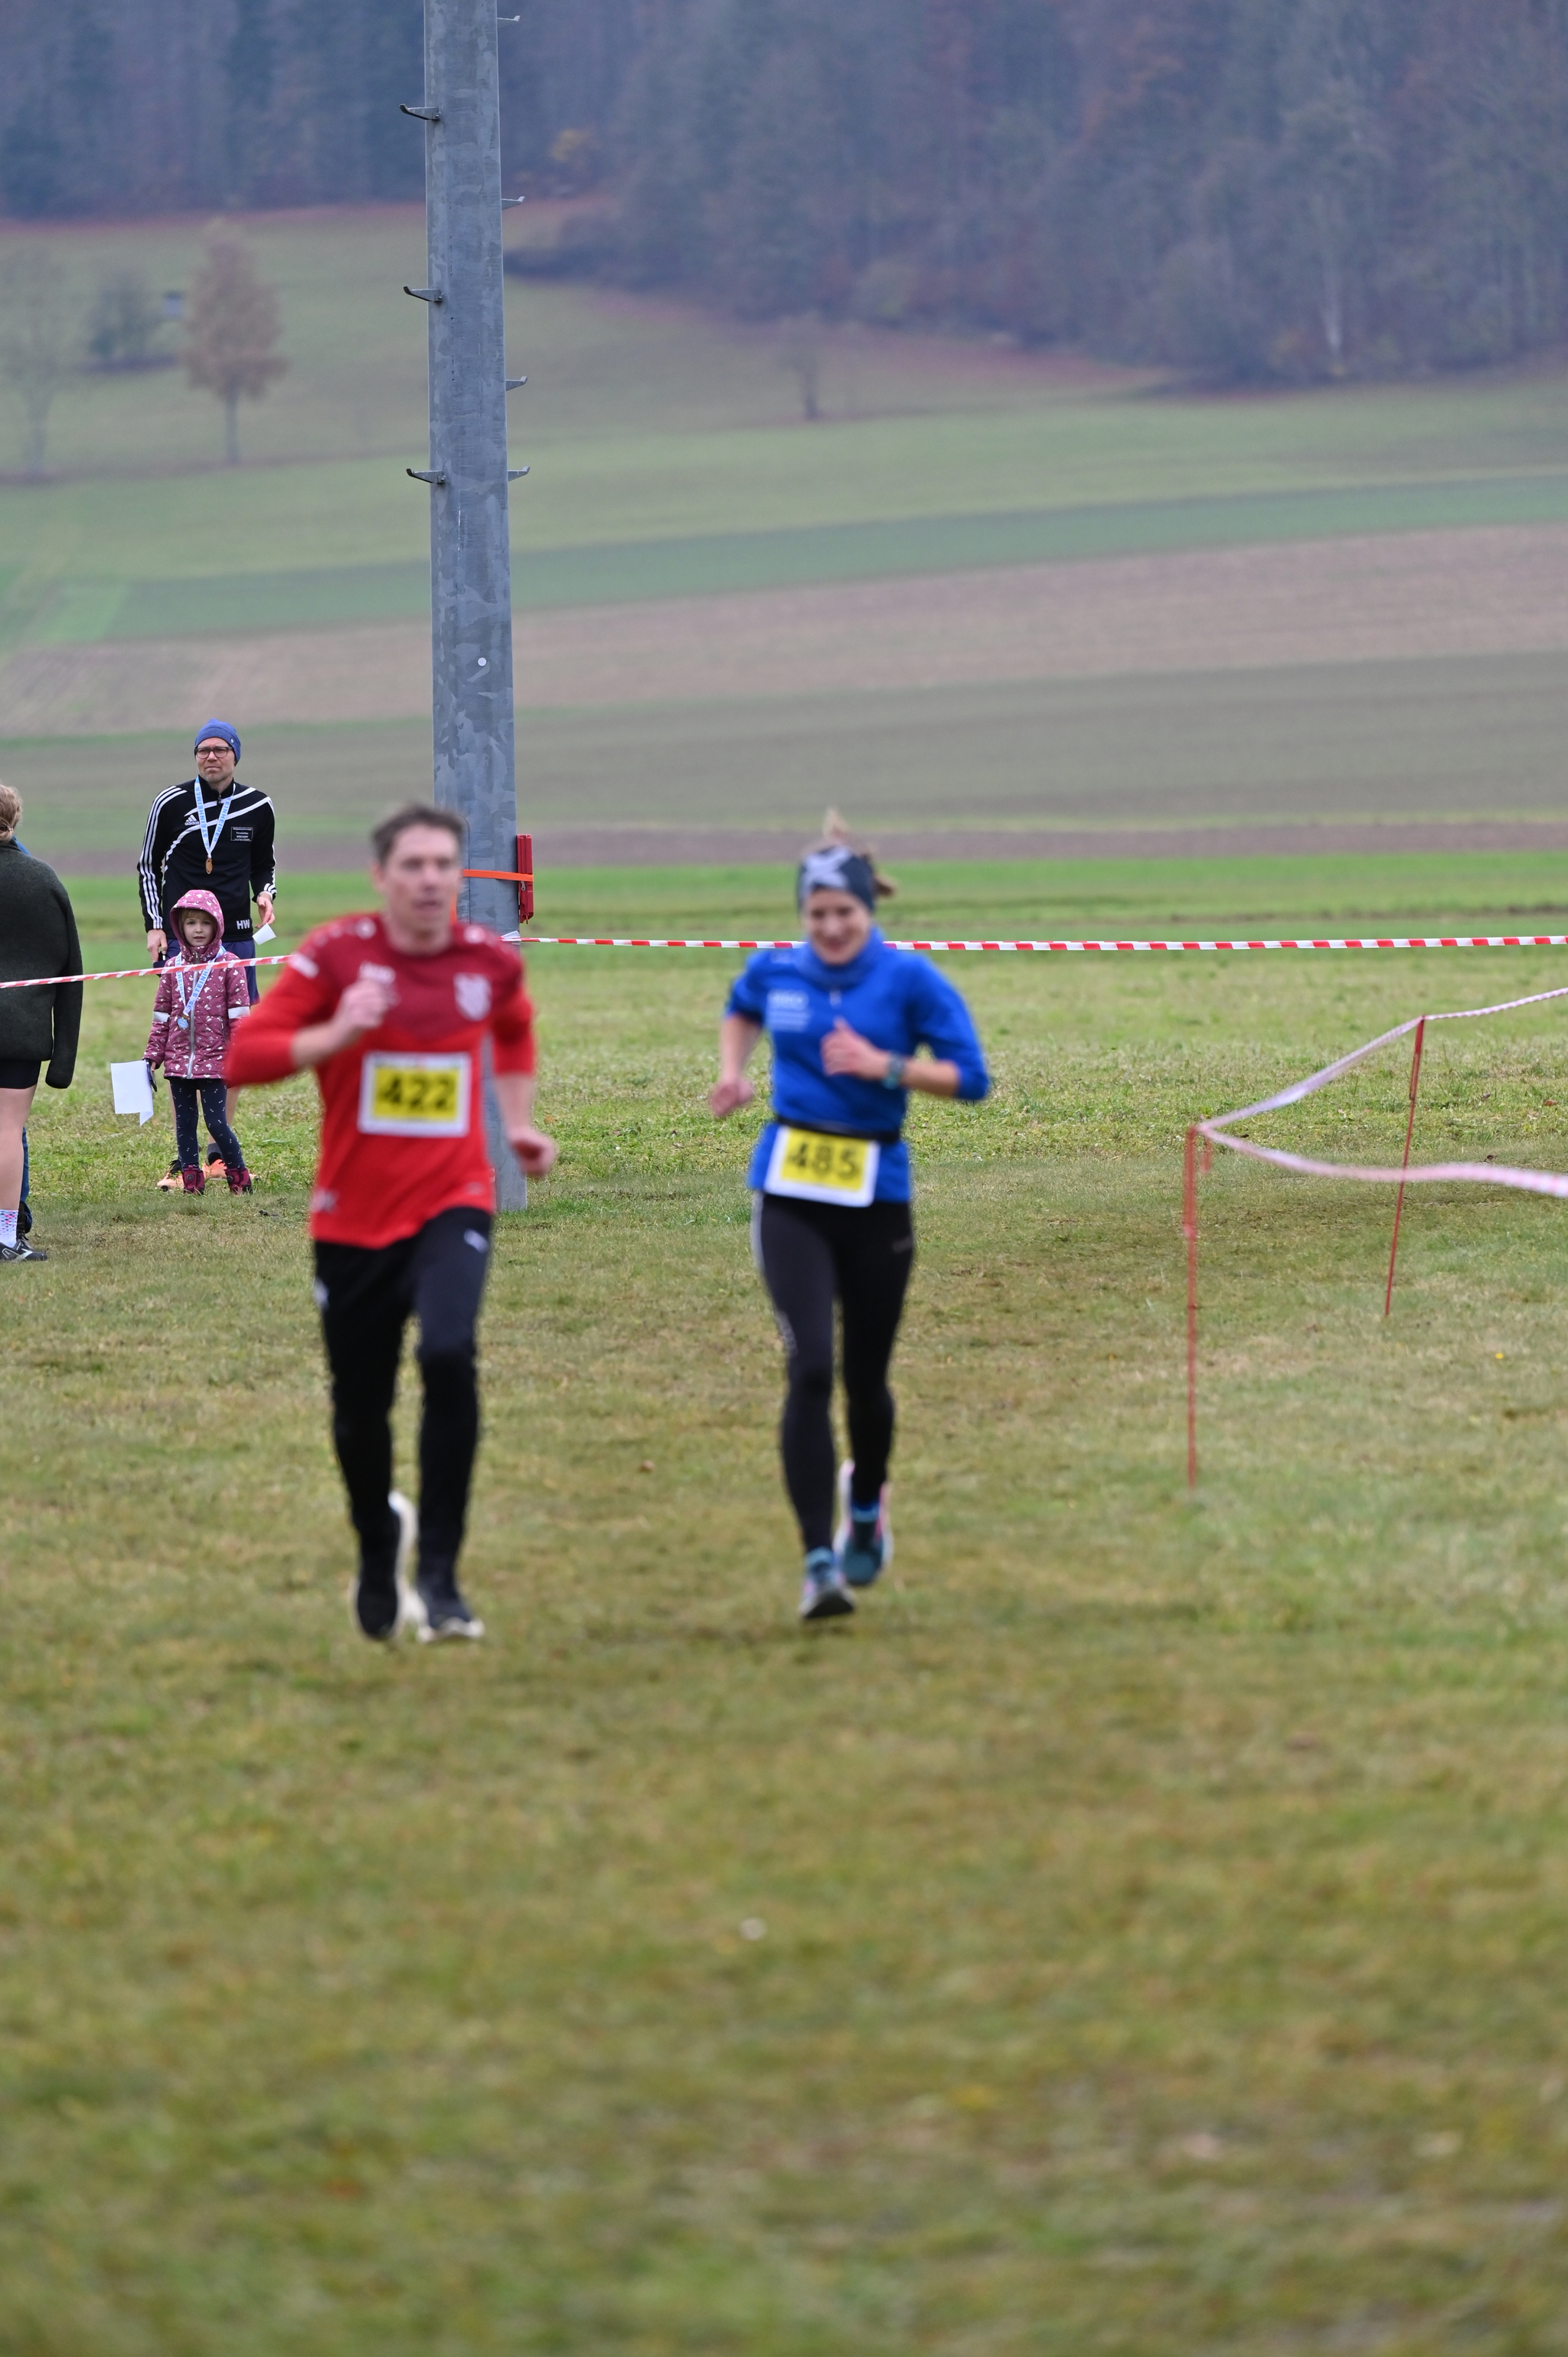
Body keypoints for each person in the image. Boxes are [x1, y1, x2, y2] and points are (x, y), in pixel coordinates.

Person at [226, 802, 557, 1643]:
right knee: (360, 1405)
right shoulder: (336, 956)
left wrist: (519, 1124)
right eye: (412, 865)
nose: (430, 880)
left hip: (453, 1200)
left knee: (448, 1354)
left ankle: (440, 1575)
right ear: (381, 877)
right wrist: (339, 1030)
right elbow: (244, 1058)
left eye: (444, 865)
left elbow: (515, 1030)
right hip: (353, 1216)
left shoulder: (487, 962)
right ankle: (379, 1543)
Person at [710, 814, 989, 1620]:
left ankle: (865, 1504)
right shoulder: (776, 970)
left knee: (865, 1382)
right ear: (801, 914)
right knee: (808, 1369)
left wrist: (885, 1066)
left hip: (875, 1193)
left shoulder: (909, 981)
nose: (831, 928)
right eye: (817, 914)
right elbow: (740, 1007)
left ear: (869, 910)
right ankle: (817, 1563)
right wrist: (732, 1070)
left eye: (845, 914)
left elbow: (972, 1079)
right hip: (791, 1189)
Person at [138, 720, 276, 1184]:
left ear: (235, 755)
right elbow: (148, 866)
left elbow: (263, 864)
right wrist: (155, 925)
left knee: (232, 1039)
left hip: (236, 935)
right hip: (183, 935)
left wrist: (265, 894)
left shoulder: (257, 805)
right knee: (183, 1035)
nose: (211, 757)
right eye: (203, 750)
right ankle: (185, 1158)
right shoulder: (170, 802)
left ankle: (219, 1153)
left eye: (220, 749)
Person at [0, 783, 82, 1265]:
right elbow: (71, 973)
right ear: (15, 820)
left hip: (20, 1030)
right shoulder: (43, 879)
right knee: (7, 1130)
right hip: (23, 1031)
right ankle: (6, 1237)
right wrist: (64, 1058)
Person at [145, 889, 253, 1195]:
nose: (198, 930)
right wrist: (153, 1055)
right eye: (191, 923)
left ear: (217, 925)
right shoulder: (172, 966)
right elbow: (161, 1017)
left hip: (215, 1062)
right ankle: (192, 1180)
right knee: (185, 1123)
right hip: (178, 1062)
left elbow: (240, 1018)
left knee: (217, 1123)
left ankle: (238, 1173)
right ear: (180, 927)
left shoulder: (229, 964)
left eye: (206, 923)